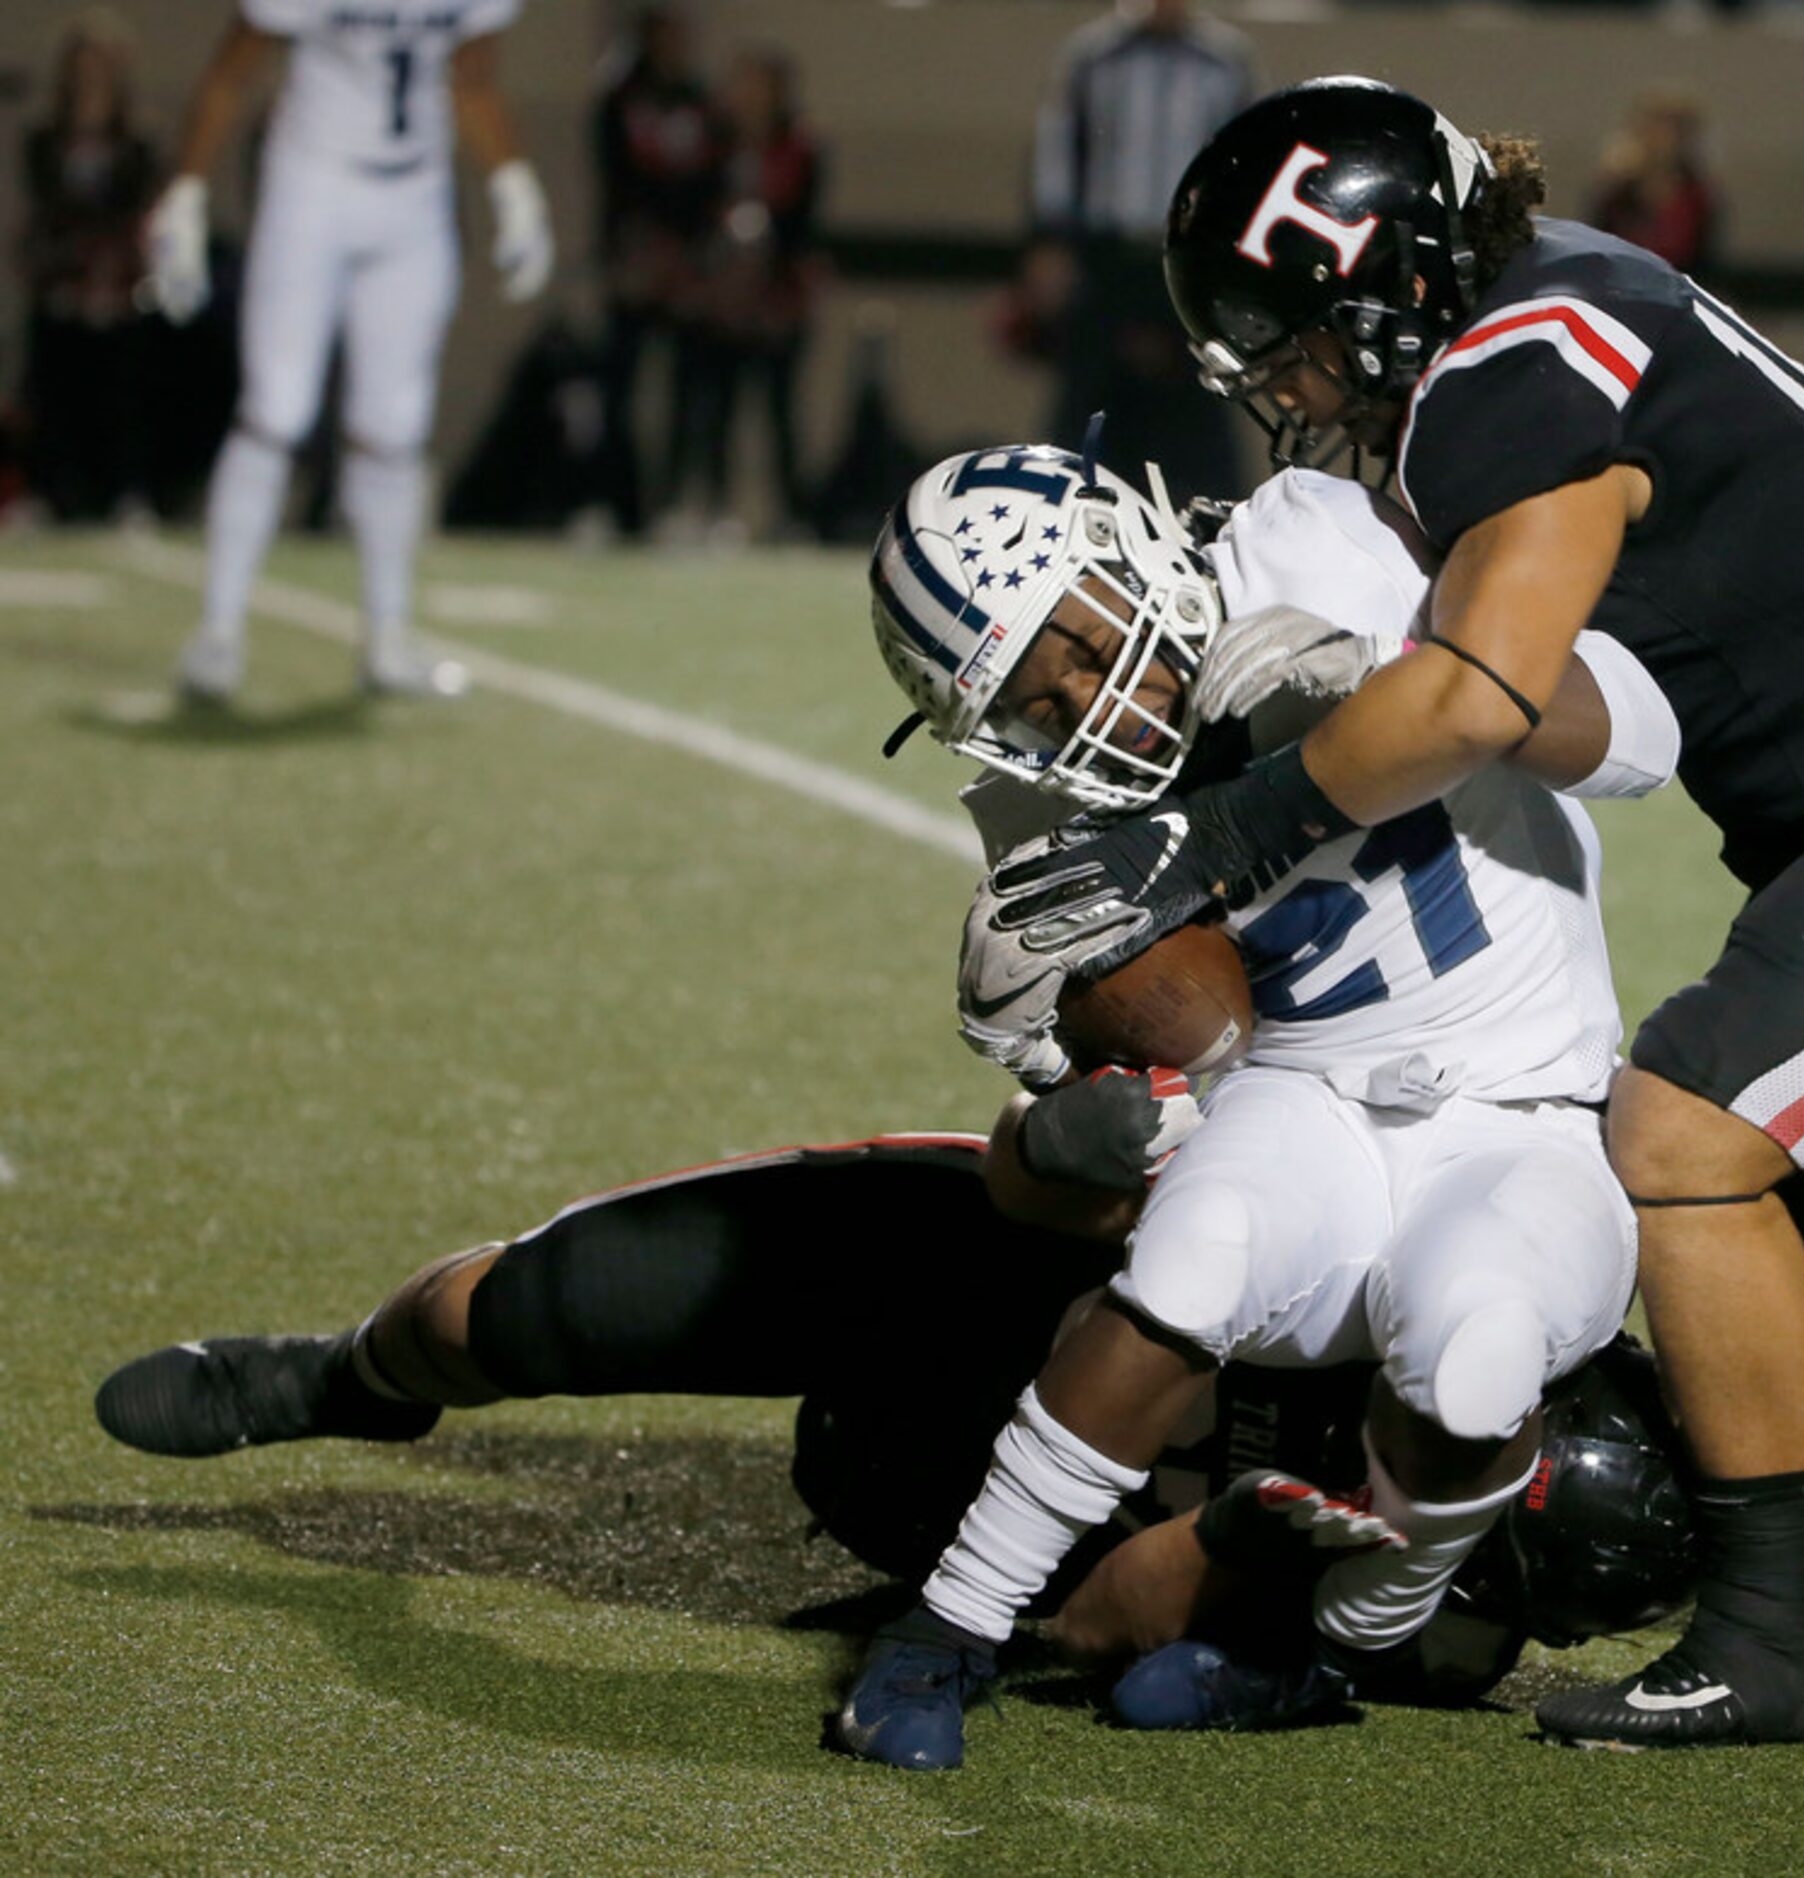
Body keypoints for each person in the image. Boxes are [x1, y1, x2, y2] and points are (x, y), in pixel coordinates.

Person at [975, 77, 1804, 1751]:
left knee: (1676, 1135)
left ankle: (1774, 1634)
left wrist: (1221, 828)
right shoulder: (1550, 294)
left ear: (1390, 287)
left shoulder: (1511, 368)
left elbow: (1478, 694)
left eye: (1296, 335)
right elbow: (1549, 694)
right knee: (1786, 1245)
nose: (1283, 381)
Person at [835, 443, 1683, 1769]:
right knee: (1192, 1248)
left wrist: (1409, 691)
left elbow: (1645, 732)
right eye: (1027, 697)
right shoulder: (1042, 807)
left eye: (1063, 638)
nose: (1074, 697)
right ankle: (943, 1631)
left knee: (1479, 1340)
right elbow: (1078, 1125)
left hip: (1523, 1106)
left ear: (1124, 546)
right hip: (1308, 1098)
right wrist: (1073, 1113)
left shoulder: (1323, 541)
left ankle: (1327, 1648)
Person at [91, 1088, 1701, 1731]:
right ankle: (345, 1382)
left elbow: (1121, 1638)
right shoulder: (1449, 1255)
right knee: (505, 1311)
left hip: (935, 1491)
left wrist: (1198, 1591)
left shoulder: (1441, 1630)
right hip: (973, 1278)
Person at [144, 1, 553, 705]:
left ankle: (388, 637)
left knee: (395, 424)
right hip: (314, 183)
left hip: (415, 192)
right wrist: (185, 192)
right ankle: (218, 631)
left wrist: (513, 181)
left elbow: (474, 77)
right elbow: (232, 73)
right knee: (277, 407)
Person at [1021, 0, 1256, 501]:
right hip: (1107, 252)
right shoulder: (1093, 56)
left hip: (1187, 250)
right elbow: (1058, 150)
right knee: (1087, 391)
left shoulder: (1223, 60)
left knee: (1203, 389)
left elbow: (1240, 162)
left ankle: (1212, 512)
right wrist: (1051, 240)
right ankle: (1061, 500)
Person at [667, 47, 825, 544]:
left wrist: (775, 290)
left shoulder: (801, 147)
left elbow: (803, 228)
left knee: (778, 412)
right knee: (710, 407)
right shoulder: (711, 146)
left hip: (775, 302)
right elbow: (690, 216)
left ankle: (791, 515)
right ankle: (705, 507)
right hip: (717, 302)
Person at [19, 9, 160, 527]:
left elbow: (137, 203)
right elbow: (45, 208)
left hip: (118, 288)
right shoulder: (46, 138)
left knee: (121, 398)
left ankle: (126, 493)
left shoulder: (135, 141)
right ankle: (48, 491)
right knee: (53, 392)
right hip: (63, 285)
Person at [587, 4, 722, 541]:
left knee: (689, 394)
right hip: (635, 263)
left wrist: (693, 255)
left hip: (687, 270)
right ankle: (617, 505)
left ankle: (674, 504)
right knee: (618, 391)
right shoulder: (621, 99)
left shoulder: (699, 101)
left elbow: (709, 182)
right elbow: (614, 181)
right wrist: (632, 250)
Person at [1583, 88, 1719, 278]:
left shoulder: (1696, 195)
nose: (1662, 139)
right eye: (1654, 128)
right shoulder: (1618, 193)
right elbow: (1598, 242)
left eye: (1672, 130)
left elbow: (1702, 255)